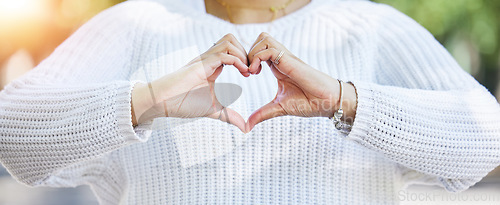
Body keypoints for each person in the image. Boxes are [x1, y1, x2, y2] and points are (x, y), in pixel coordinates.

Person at [0, 0, 499, 204]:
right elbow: (11, 137)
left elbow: (486, 142)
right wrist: (146, 101)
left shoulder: (369, 28)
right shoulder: (137, 24)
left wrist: (348, 103)